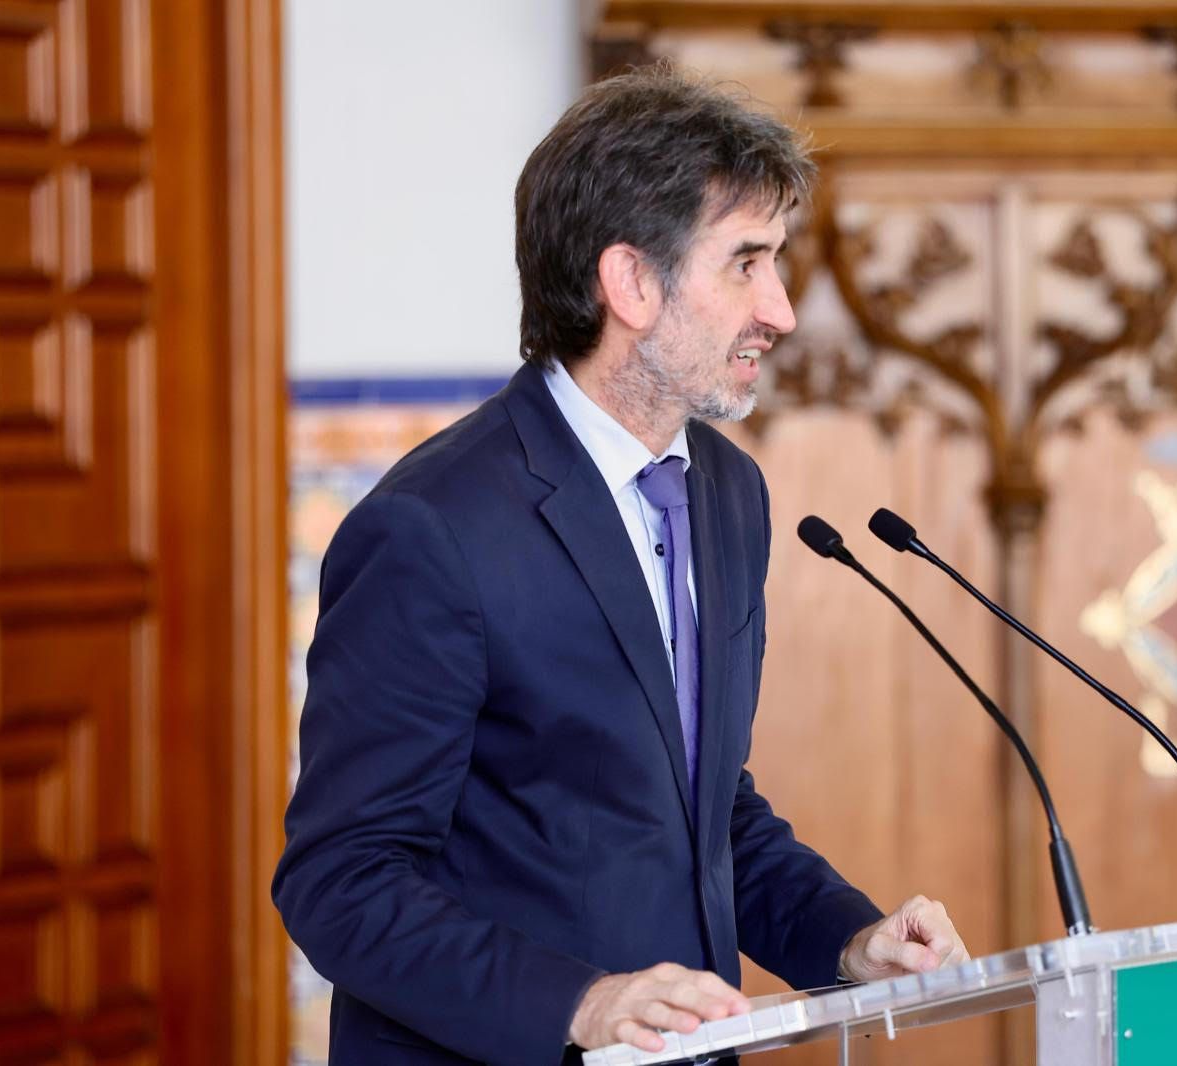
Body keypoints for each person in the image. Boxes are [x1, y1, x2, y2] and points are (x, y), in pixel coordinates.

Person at [272, 64, 968, 1065]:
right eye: (746, 263)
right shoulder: (431, 528)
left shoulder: (729, 493)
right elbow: (341, 880)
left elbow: (704, 808)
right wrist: (583, 1003)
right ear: (630, 282)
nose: (779, 307)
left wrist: (848, 942)